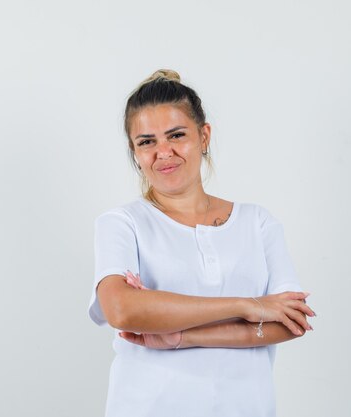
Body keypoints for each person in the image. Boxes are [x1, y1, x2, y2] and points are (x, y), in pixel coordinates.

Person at [87, 69, 315, 417]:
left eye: (176, 135)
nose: (163, 152)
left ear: (204, 136)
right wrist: (248, 306)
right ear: (135, 151)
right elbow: (121, 310)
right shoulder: (122, 224)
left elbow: (290, 321)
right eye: (146, 141)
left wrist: (180, 335)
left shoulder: (257, 222)